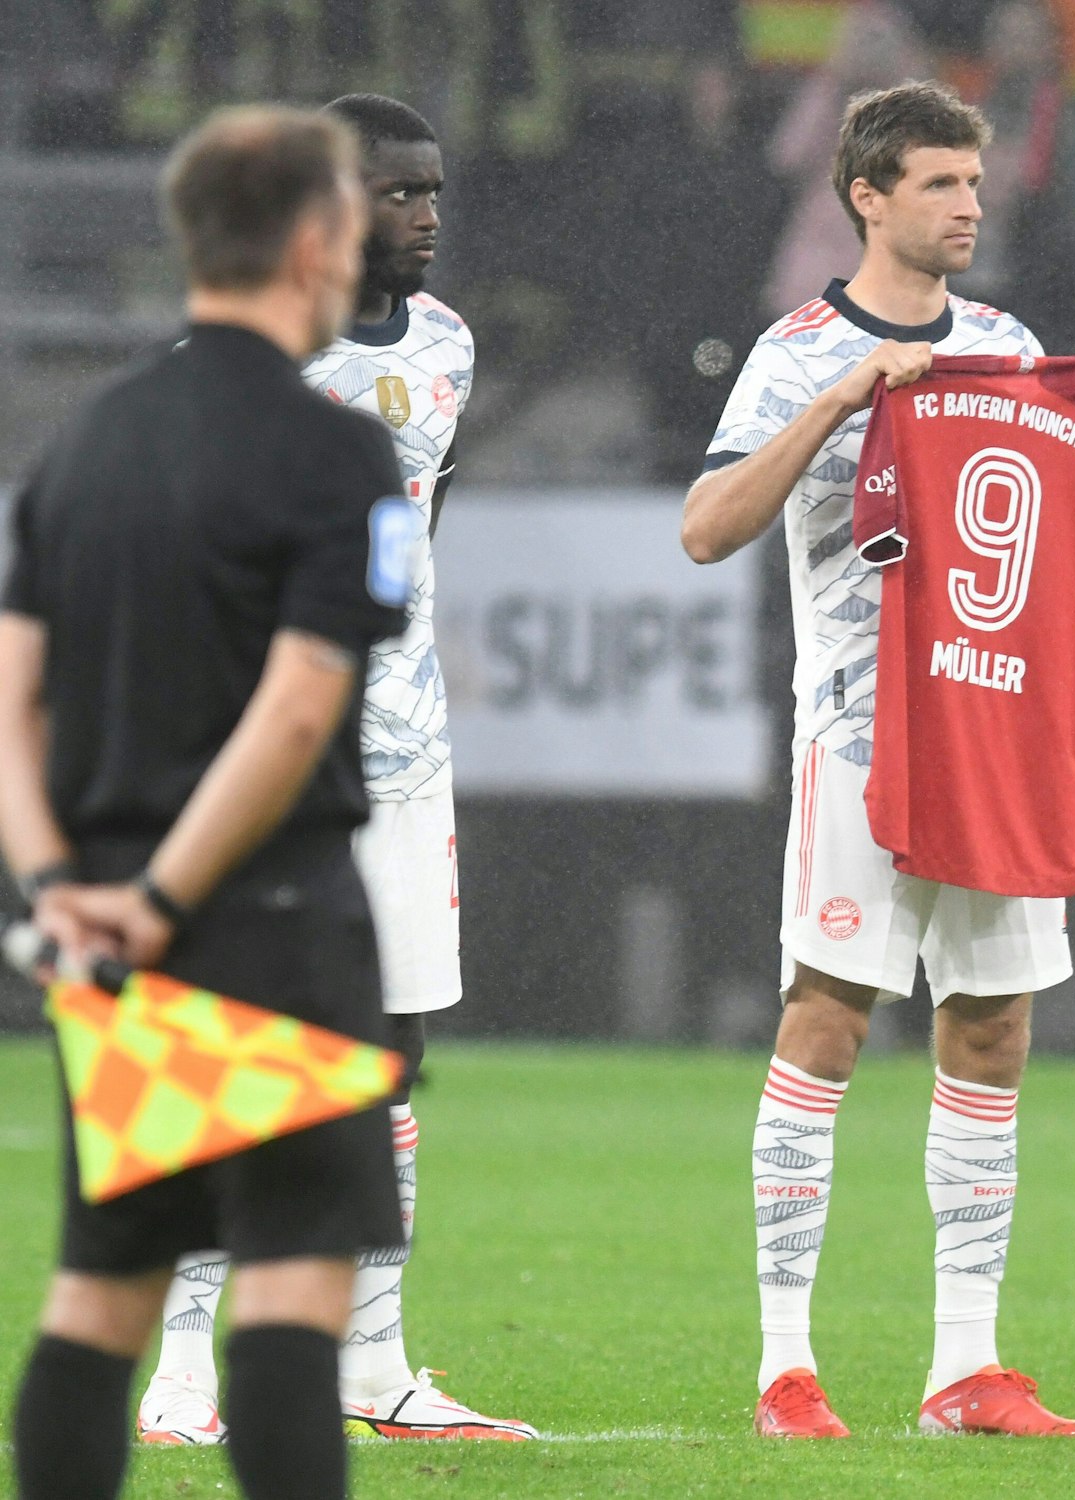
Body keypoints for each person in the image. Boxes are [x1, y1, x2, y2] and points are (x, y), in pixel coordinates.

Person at [683, 79, 1075, 1439]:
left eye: (977, 182)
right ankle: (787, 1366)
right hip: (860, 733)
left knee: (995, 1028)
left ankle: (966, 1370)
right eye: (943, 185)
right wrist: (842, 400)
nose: (972, 204)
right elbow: (708, 527)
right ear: (868, 196)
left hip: (994, 735)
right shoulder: (794, 351)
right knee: (831, 1014)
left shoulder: (1011, 345)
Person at [0, 105, 411, 1500]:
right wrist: (174, 892)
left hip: (107, 943)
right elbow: (300, 707)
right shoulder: (335, 454)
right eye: (353, 225)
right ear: (310, 241)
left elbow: (12, 701)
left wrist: (67, 889)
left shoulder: (83, 446)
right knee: (291, 1295)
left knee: (101, 1294)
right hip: (269, 924)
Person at [135, 92, 533, 1446]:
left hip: (403, 757)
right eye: (399, 192)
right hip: (254, 755)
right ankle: (185, 1368)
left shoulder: (448, 346)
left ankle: (375, 1365)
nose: (426, 217)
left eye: (436, 193)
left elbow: (428, 511)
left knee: (393, 1049)